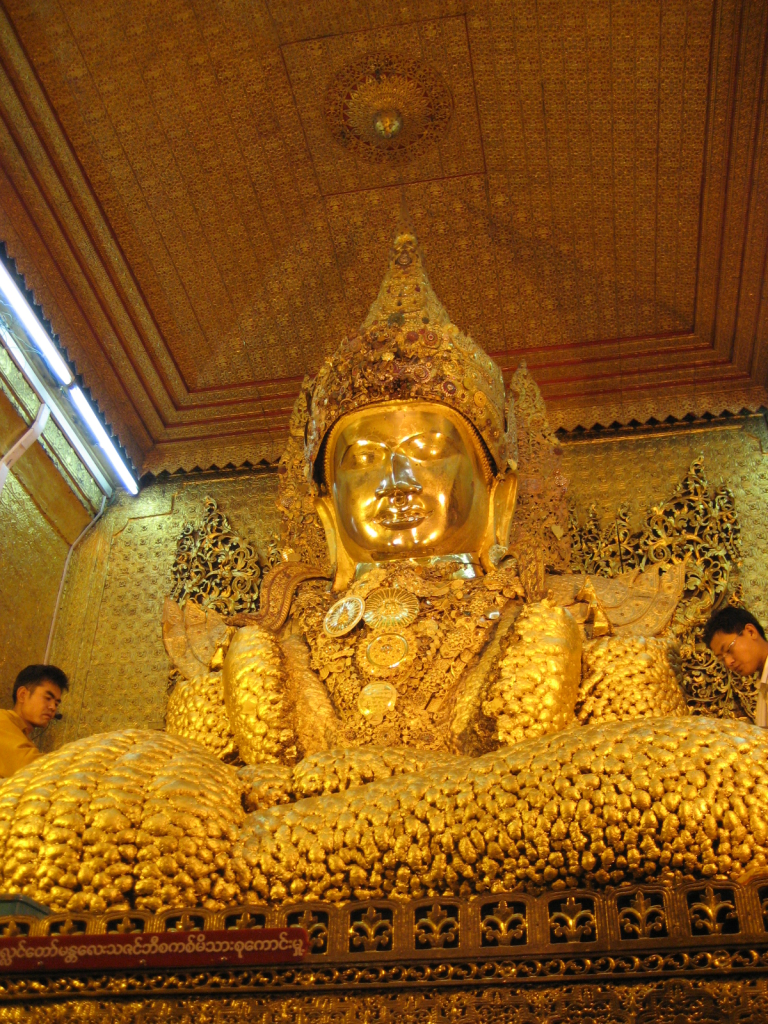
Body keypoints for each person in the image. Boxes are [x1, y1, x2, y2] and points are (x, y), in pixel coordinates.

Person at [704, 606, 768, 727]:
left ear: (750, 632)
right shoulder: (763, 684)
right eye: (722, 659)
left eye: (728, 649)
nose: (728, 662)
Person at [0, 664, 67, 778]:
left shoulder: (25, 740)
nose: (53, 707)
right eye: (47, 698)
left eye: (56, 703)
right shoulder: (2, 720)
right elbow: (29, 769)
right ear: (22, 695)